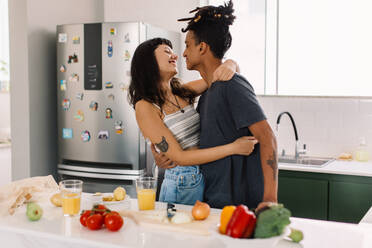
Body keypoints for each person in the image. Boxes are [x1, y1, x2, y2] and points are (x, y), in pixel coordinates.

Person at [167, 0, 277, 210]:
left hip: (239, 206)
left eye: (188, 45)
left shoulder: (232, 84)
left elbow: (267, 137)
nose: (183, 53)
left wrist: (270, 198)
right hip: (214, 202)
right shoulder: (209, 90)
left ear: (202, 47)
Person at [128, 37, 258, 205]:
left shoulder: (182, 91)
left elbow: (221, 75)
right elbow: (180, 157)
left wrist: (230, 63)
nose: (175, 56)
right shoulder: (145, 106)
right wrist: (234, 148)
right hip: (181, 183)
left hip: (204, 174)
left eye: (173, 51)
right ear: (149, 62)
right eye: (167, 52)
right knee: (181, 231)